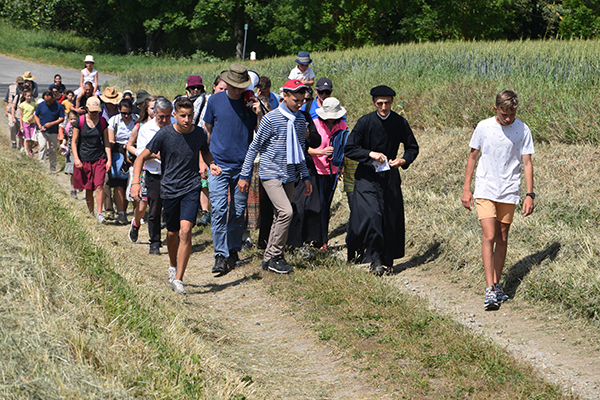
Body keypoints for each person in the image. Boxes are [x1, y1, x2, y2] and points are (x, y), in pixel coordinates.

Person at [132, 97, 220, 294]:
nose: (187, 119)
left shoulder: (199, 133)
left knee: (186, 230)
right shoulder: (164, 135)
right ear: (175, 116)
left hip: (191, 187)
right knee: (172, 234)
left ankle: (179, 278)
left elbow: (205, 152)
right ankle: (173, 266)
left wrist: (211, 163)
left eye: (190, 116)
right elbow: (140, 158)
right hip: (170, 188)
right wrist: (136, 183)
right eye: (183, 116)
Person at [461, 89, 535, 311]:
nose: (508, 118)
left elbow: (527, 163)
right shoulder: (484, 127)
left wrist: (530, 194)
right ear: (496, 109)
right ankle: (489, 289)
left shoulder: (522, 129)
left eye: (512, 114)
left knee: (502, 236)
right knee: (489, 234)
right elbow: (472, 157)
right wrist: (467, 188)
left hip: (509, 190)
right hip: (485, 188)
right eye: (504, 114)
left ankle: (497, 284)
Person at [239, 79, 313, 274]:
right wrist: (244, 175)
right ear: (285, 96)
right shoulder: (271, 119)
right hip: (270, 173)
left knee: (279, 216)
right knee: (286, 212)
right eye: (296, 100)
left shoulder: (299, 120)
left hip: (289, 174)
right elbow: (254, 146)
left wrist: (305, 176)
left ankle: (269, 258)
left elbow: (300, 149)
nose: (299, 104)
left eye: (302, 101)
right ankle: (276, 255)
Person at [345, 85, 419, 276]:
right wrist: (370, 154)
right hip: (366, 177)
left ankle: (386, 260)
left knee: (389, 217)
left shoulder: (399, 122)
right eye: (380, 103)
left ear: (392, 102)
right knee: (372, 215)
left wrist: (403, 160)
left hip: (390, 176)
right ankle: (374, 259)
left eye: (387, 103)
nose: (384, 107)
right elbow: (350, 148)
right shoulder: (365, 122)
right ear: (373, 103)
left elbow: (413, 148)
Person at [203, 64, 261, 276]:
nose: (237, 90)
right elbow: (206, 131)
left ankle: (233, 250)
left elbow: (261, 132)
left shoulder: (250, 103)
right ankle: (220, 254)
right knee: (219, 209)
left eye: (240, 86)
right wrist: (205, 161)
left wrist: (258, 113)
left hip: (243, 166)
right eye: (233, 86)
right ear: (227, 83)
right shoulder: (215, 101)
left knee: (237, 212)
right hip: (218, 164)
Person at [128, 96, 169, 255]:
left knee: (171, 209)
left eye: (167, 116)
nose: (164, 120)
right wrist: (156, 155)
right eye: (161, 117)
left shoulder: (175, 125)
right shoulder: (145, 129)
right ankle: (155, 242)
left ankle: (175, 237)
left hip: (171, 174)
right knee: (153, 210)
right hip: (152, 173)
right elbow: (139, 154)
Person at [309, 97, 348, 251]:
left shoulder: (342, 125)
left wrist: (342, 167)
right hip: (317, 171)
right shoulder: (315, 124)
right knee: (318, 206)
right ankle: (317, 240)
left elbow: (345, 147)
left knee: (326, 206)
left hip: (333, 172)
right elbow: (306, 149)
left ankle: (323, 241)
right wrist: (322, 152)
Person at [71, 97, 111, 221]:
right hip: (84, 158)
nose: (94, 113)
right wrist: (76, 159)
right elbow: (74, 141)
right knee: (89, 187)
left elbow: (106, 142)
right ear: (86, 108)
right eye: (92, 111)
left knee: (99, 185)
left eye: (96, 111)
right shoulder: (80, 121)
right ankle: (91, 212)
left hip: (99, 158)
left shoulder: (103, 122)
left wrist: (109, 159)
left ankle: (100, 213)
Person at [107, 98, 137, 225]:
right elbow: (111, 139)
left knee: (132, 183)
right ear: (119, 110)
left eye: (128, 113)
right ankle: (121, 213)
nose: (126, 116)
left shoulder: (136, 120)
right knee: (119, 184)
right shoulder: (113, 121)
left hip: (134, 153)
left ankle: (136, 215)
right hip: (118, 153)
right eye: (123, 113)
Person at [34, 90, 65, 171]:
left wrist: (52, 123)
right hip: (42, 130)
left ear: (53, 98)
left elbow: (62, 118)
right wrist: (39, 125)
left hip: (53, 131)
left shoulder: (59, 106)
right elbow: (36, 116)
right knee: (42, 147)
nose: (48, 103)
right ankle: (41, 166)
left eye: (49, 101)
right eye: (46, 101)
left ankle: (52, 167)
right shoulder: (41, 105)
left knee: (53, 149)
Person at [62, 110, 80, 198]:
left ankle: (80, 185)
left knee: (79, 171)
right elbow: (65, 138)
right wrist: (63, 144)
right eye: (71, 119)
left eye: (75, 119)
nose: (73, 121)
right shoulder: (67, 128)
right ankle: (73, 190)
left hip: (79, 151)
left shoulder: (80, 128)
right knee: (72, 172)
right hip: (70, 151)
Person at [5, 76, 25, 149]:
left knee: (20, 127)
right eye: (19, 83)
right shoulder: (11, 88)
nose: (20, 85)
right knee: (12, 126)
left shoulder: (24, 90)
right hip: (11, 110)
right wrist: (6, 111)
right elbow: (6, 100)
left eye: (22, 83)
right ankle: (13, 142)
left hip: (20, 111)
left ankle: (21, 144)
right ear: (16, 82)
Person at [18, 90, 37, 156]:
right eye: (28, 96)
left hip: (32, 123)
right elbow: (21, 115)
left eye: (30, 96)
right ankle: (27, 151)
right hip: (25, 122)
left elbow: (36, 112)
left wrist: (32, 116)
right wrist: (21, 125)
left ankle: (29, 149)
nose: (29, 97)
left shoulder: (33, 104)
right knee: (27, 138)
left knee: (33, 138)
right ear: (25, 96)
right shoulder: (22, 105)